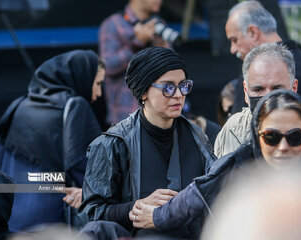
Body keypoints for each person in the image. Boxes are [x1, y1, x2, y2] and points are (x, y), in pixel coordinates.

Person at [129, 90, 301, 236]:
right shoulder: (235, 168)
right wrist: (156, 216)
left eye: (295, 137)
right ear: (257, 135)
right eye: (271, 136)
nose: (283, 146)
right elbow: (193, 198)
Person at [79, 47, 216, 238]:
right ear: (143, 92)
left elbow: (217, 196)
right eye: (168, 87)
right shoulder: (114, 143)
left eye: (183, 85)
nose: (178, 95)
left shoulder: (197, 137)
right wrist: (137, 207)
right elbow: (90, 214)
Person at [0, 50, 104, 231]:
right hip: (48, 218)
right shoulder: (75, 106)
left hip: (7, 212)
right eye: (98, 83)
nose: (99, 92)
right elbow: (86, 169)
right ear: (81, 76)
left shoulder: (20, 103)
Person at [214, 43, 301, 168]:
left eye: (277, 89)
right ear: (245, 91)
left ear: (294, 87)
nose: (267, 97)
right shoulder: (232, 128)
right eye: (258, 89)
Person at [225, 1, 301, 127]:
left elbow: (241, 135)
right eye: (259, 89)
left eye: (234, 40)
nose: (232, 49)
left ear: (253, 32)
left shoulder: (253, 77)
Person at [99, 0, 170, 124]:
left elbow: (172, 71)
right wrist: (137, 42)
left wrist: (164, 49)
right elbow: (108, 67)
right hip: (125, 119)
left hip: (159, 118)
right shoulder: (113, 24)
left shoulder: (158, 24)